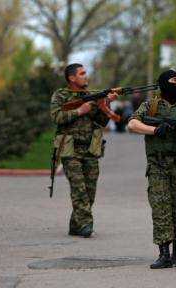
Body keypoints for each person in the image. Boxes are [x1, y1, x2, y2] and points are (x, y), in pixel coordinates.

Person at [128, 69, 176, 269]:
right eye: (173, 81)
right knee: (161, 209)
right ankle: (164, 254)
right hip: (158, 165)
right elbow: (133, 124)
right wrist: (155, 130)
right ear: (163, 84)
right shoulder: (151, 105)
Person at [50, 63, 117, 238]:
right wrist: (79, 111)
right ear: (71, 77)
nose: (86, 76)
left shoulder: (91, 96)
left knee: (89, 191)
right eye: (82, 73)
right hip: (70, 149)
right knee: (79, 188)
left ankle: (75, 224)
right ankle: (86, 225)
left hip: (90, 149)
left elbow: (102, 122)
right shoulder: (60, 95)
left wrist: (106, 103)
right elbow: (56, 117)